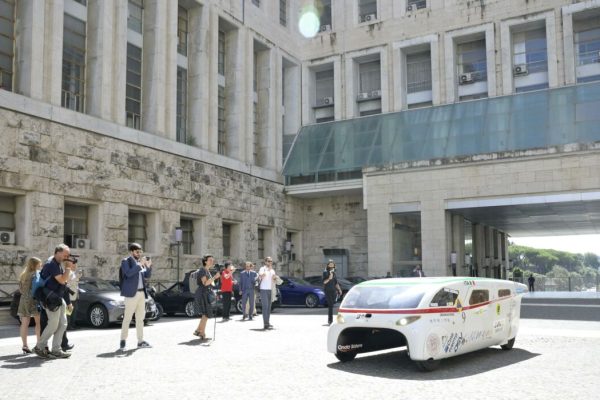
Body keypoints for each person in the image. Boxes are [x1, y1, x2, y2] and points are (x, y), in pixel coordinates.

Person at [33, 244, 72, 359]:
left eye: (68, 255)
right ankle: (39, 347)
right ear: (58, 252)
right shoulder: (52, 264)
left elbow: (63, 282)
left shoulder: (57, 263)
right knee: (53, 324)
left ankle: (56, 349)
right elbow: (62, 280)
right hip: (50, 300)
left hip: (58, 299)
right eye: (66, 254)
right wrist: (68, 267)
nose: (67, 257)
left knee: (62, 324)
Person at [119, 243, 152, 351]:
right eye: (137, 252)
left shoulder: (140, 262)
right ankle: (123, 340)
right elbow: (128, 273)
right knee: (127, 318)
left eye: (140, 251)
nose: (139, 253)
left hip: (142, 293)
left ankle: (140, 341)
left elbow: (147, 276)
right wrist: (139, 265)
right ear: (131, 252)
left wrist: (148, 266)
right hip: (131, 294)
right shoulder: (126, 261)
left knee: (140, 319)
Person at [17, 257, 42, 354]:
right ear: (35, 265)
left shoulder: (23, 274)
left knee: (24, 324)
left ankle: (25, 345)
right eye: (39, 264)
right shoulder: (36, 274)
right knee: (38, 323)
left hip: (23, 300)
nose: (40, 266)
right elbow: (39, 287)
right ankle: (39, 344)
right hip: (34, 299)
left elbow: (20, 290)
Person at [193, 254, 220, 339]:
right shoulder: (202, 270)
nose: (212, 261)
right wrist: (215, 277)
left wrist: (215, 278)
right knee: (206, 314)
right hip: (202, 294)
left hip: (206, 293)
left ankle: (200, 331)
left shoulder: (207, 271)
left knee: (206, 314)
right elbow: (205, 283)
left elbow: (212, 283)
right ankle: (200, 332)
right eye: (210, 260)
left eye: (213, 260)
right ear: (205, 261)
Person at [258, 256, 279, 330]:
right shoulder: (262, 269)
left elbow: (273, 280)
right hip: (263, 289)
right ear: (265, 262)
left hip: (271, 290)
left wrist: (275, 278)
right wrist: (267, 270)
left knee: (269, 307)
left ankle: (267, 322)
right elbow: (261, 276)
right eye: (269, 261)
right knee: (265, 307)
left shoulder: (272, 270)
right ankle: (265, 323)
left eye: (271, 261)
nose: (270, 262)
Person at [322, 260, 342, 325]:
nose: (331, 265)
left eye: (332, 264)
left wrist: (339, 290)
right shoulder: (325, 272)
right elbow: (324, 282)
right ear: (328, 265)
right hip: (328, 291)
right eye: (330, 264)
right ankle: (330, 321)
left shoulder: (334, 273)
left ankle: (333, 320)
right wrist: (329, 278)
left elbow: (336, 283)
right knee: (330, 306)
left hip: (334, 291)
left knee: (332, 304)